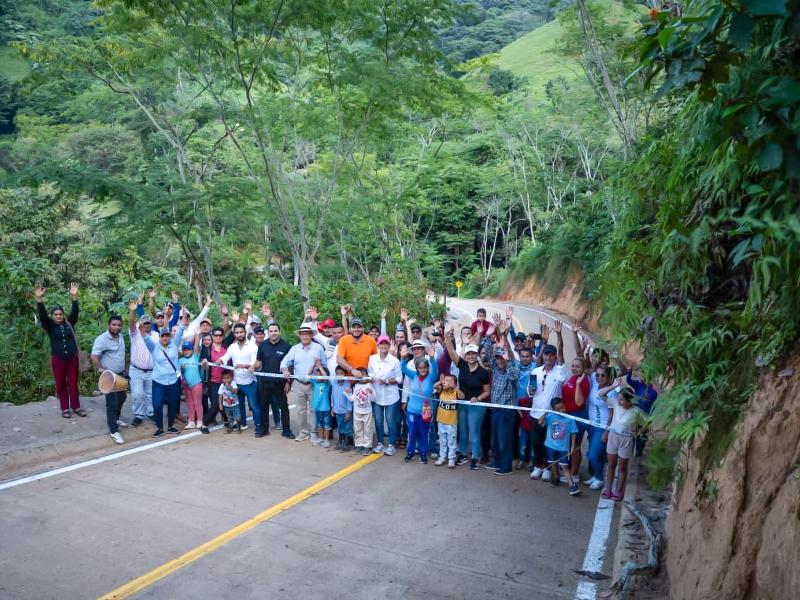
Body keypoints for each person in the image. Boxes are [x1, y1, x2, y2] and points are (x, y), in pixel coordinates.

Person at [34, 281, 87, 418]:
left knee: (73, 383)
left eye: (60, 314)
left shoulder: (69, 323)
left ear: (63, 315)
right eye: (56, 314)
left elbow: (75, 312)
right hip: (57, 359)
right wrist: (39, 299)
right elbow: (42, 315)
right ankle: (65, 408)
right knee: (60, 383)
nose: (58, 316)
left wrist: (74, 297)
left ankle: (76, 406)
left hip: (72, 358)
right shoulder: (49, 325)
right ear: (53, 316)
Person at [443, 330, 490, 470]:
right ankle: (463, 454)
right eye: (468, 354)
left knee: (474, 431)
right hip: (462, 404)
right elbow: (451, 352)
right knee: (462, 431)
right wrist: (446, 334)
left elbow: (487, 391)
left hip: (476, 405)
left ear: (476, 355)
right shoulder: (462, 364)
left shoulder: (483, 372)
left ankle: (475, 456)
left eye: (473, 354)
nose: (470, 356)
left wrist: (478, 398)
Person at [481, 319, 519, 476]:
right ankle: (496, 461)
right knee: (495, 439)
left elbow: (512, 375)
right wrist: (490, 334)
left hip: (507, 412)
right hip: (495, 410)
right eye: (498, 358)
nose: (498, 361)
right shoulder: (495, 369)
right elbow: (487, 355)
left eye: (501, 358)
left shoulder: (512, 370)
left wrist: (508, 359)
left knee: (505, 440)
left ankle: (506, 466)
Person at [529, 322, 566, 481]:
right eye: (546, 354)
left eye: (552, 355)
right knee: (536, 442)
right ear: (543, 356)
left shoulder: (559, 372)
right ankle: (537, 466)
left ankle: (548, 468)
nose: (549, 357)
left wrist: (558, 335)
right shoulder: (535, 371)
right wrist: (530, 391)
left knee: (550, 444)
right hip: (535, 413)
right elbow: (530, 391)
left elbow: (562, 356)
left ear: (555, 356)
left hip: (552, 416)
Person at [216, 322, 265, 437]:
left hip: (250, 382)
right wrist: (220, 361)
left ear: (245, 332)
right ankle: (242, 423)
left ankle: (259, 426)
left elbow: (255, 362)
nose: (239, 334)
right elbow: (225, 357)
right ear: (234, 334)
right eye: (237, 332)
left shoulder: (253, 346)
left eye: (241, 332)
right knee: (240, 404)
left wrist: (246, 366)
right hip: (236, 382)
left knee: (254, 405)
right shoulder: (232, 347)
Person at [281, 323, 327, 442]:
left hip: (314, 384)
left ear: (311, 335)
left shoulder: (318, 348)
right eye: (302, 334)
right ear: (299, 336)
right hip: (298, 383)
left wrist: (321, 377)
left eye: (307, 334)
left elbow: (325, 365)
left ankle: (314, 432)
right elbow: (285, 361)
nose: (305, 336)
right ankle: (303, 431)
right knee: (300, 410)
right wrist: (285, 369)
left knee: (313, 409)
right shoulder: (294, 349)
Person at [143, 316, 186, 437]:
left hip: (173, 381)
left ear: (170, 336)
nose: (165, 338)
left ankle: (171, 426)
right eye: (163, 336)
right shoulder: (154, 346)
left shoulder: (174, 343)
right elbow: (144, 336)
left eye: (167, 335)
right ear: (160, 337)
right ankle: (160, 428)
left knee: (172, 404)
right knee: (157, 405)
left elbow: (181, 328)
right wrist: (138, 316)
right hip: (158, 382)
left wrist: (184, 314)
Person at [601, 384, 643, 501]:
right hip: (613, 436)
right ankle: (608, 489)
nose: (619, 401)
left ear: (629, 401)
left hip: (627, 439)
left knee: (622, 467)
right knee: (611, 465)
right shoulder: (614, 403)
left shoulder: (636, 411)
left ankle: (619, 490)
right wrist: (614, 386)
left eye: (622, 399)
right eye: (618, 398)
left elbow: (648, 421)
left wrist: (638, 433)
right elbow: (601, 394)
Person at [91, 314, 128, 445]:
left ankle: (116, 418)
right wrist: (100, 368)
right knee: (111, 403)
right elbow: (94, 356)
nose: (116, 327)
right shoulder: (102, 339)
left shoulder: (121, 336)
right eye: (114, 325)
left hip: (121, 374)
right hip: (109, 376)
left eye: (119, 325)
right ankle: (114, 431)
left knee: (122, 398)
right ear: (109, 325)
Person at [400, 344, 438, 464]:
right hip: (412, 410)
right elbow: (404, 368)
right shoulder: (414, 375)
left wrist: (432, 358)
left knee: (424, 433)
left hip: (425, 411)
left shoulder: (432, 377)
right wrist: (403, 358)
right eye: (420, 368)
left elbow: (435, 369)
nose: (422, 370)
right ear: (417, 369)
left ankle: (423, 453)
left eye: (424, 368)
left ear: (427, 368)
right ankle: (410, 452)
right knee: (412, 432)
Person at [256, 322, 293, 437]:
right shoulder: (263, 345)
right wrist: (252, 367)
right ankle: (264, 429)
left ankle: (286, 430)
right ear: (268, 332)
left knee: (284, 407)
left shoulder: (287, 346)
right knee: (264, 406)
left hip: (280, 383)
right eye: (271, 331)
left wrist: (288, 382)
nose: (273, 333)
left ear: (279, 332)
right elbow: (259, 361)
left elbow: (290, 366)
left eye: (275, 331)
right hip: (265, 381)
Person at [368, 335, 402, 456]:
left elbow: (399, 378)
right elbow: (369, 373)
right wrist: (372, 378)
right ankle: (380, 443)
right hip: (376, 395)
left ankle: (392, 445)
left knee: (390, 420)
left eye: (386, 343)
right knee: (378, 420)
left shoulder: (395, 361)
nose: (383, 345)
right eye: (381, 343)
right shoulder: (372, 359)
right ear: (378, 345)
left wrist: (387, 381)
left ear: (389, 345)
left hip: (391, 396)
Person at [539, 396, 580, 495]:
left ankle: (572, 485)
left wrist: (572, 447)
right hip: (550, 446)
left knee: (564, 466)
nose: (561, 410)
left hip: (563, 448)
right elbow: (540, 422)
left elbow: (574, 433)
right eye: (558, 409)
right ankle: (556, 478)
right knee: (553, 463)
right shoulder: (550, 416)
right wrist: (545, 413)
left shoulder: (570, 419)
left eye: (562, 407)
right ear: (553, 409)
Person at [562, 357, 590, 486]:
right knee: (568, 445)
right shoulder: (572, 378)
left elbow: (579, 402)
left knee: (576, 446)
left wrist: (578, 385)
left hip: (577, 416)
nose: (574, 368)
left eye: (577, 366)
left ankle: (574, 474)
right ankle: (569, 470)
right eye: (573, 366)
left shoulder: (583, 381)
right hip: (567, 415)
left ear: (583, 368)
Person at [127, 296, 154, 427]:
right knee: (138, 394)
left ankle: (150, 413)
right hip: (136, 370)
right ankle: (139, 414)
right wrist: (133, 311)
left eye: (148, 323)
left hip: (151, 371)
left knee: (150, 394)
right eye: (144, 323)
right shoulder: (134, 333)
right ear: (140, 324)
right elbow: (131, 323)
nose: (146, 325)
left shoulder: (155, 335)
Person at [584, 365, 612, 490]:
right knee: (596, 454)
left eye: (603, 375)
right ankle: (595, 476)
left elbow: (613, 412)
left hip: (602, 428)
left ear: (609, 377)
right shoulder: (595, 384)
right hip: (592, 426)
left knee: (593, 455)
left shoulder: (612, 392)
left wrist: (607, 431)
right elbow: (588, 366)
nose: (599, 377)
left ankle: (600, 479)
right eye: (598, 375)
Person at [199, 326, 229, 434]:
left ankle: (226, 421)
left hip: (226, 380)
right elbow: (203, 361)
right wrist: (204, 362)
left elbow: (237, 332)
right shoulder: (207, 349)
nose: (218, 337)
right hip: (213, 381)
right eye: (216, 335)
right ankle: (204, 424)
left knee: (226, 401)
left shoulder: (226, 346)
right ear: (212, 336)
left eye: (220, 335)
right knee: (216, 403)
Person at [434, 374, 462, 468]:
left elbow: (462, 396)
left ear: (454, 383)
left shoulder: (455, 393)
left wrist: (455, 387)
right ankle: (442, 457)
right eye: (445, 380)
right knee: (442, 441)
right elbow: (434, 386)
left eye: (448, 381)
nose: (445, 382)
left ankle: (451, 459)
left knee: (451, 442)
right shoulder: (441, 390)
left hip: (451, 423)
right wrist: (440, 382)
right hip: (441, 421)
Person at [179, 336, 204, 430]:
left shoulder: (195, 356)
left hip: (196, 383)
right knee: (190, 404)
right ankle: (191, 421)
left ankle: (200, 420)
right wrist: (181, 369)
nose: (186, 351)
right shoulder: (180, 361)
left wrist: (198, 335)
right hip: (186, 385)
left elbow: (197, 346)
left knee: (198, 403)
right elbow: (178, 373)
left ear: (192, 350)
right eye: (184, 350)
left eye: (188, 349)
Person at [310, 359, 332, 448]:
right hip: (317, 408)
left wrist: (319, 366)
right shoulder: (315, 382)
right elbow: (308, 375)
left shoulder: (327, 383)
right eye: (317, 375)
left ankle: (326, 440)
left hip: (325, 408)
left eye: (319, 375)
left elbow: (326, 377)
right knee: (319, 424)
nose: (317, 377)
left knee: (326, 424)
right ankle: (321, 438)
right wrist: (313, 365)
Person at [331, 366, 354, 452]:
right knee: (340, 427)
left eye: (341, 373)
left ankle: (348, 443)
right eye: (337, 374)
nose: (339, 375)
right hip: (337, 410)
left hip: (345, 411)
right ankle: (340, 441)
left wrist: (349, 411)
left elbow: (349, 399)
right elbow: (332, 396)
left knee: (347, 427)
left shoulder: (348, 385)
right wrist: (332, 408)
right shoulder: (334, 384)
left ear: (345, 374)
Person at [351, 376, 375, 455]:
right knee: (357, 429)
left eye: (364, 376)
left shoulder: (370, 385)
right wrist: (347, 393)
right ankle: (359, 445)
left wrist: (371, 392)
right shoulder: (355, 386)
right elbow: (352, 398)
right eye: (360, 376)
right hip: (357, 411)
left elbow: (374, 398)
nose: (362, 378)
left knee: (368, 429)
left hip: (367, 412)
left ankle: (367, 447)